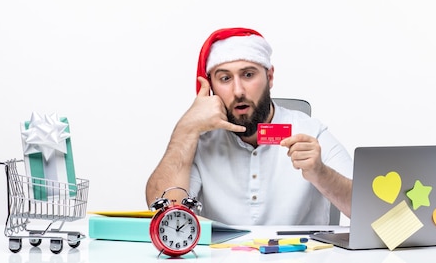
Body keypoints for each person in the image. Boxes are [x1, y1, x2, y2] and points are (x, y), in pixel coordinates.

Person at [145, 27, 353, 225]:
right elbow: (162, 215)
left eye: (248, 75)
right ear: (211, 87)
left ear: (269, 77)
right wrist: (186, 128)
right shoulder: (201, 140)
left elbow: (368, 213)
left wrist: (321, 173)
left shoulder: (310, 131)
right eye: (225, 78)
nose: (238, 91)